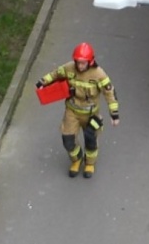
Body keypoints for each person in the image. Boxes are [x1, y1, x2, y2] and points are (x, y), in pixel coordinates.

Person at [35, 42, 120, 178]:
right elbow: (55, 74)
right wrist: (42, 82)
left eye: (83, 63)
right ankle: (77, 159)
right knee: (68, 139)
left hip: (91, 114)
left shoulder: (99, 74)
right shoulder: (69, 68)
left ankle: (89, 163)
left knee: (91, 139)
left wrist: (114, 114)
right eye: (78, 62)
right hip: (72, 112)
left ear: (90, 61)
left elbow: (110, 93)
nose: (80, 66)